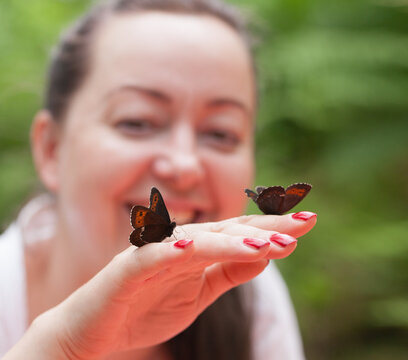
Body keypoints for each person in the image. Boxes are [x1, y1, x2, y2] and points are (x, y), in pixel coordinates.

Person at [0, 0, 317, 359]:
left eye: (220, 133)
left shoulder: (248, 290)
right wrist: (59, 347)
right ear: (52, 149)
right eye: (136, 122)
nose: (184, 165)